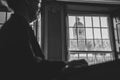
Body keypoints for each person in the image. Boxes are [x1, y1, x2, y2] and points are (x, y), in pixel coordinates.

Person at [0, 0, 66, 79]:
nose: (39, 7)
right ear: (27, 2)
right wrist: (66, 64)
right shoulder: (16, 27)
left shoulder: (19, 25)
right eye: (38, 2)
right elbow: (32, 67)